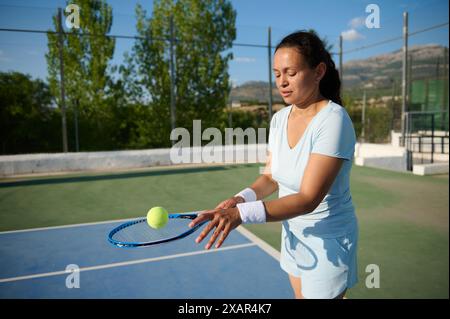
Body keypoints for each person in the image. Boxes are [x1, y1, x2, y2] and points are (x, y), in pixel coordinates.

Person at [189, 30, 358, 299]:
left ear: (318, 72)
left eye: (291, 72)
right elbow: (270, 177)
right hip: (293, 235)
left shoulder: (333, 121)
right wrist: (239, 200)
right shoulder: (279, 120)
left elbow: (308, 198)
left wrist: (242, 215)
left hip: (329, 239)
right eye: (277, 73)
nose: (282, 82)